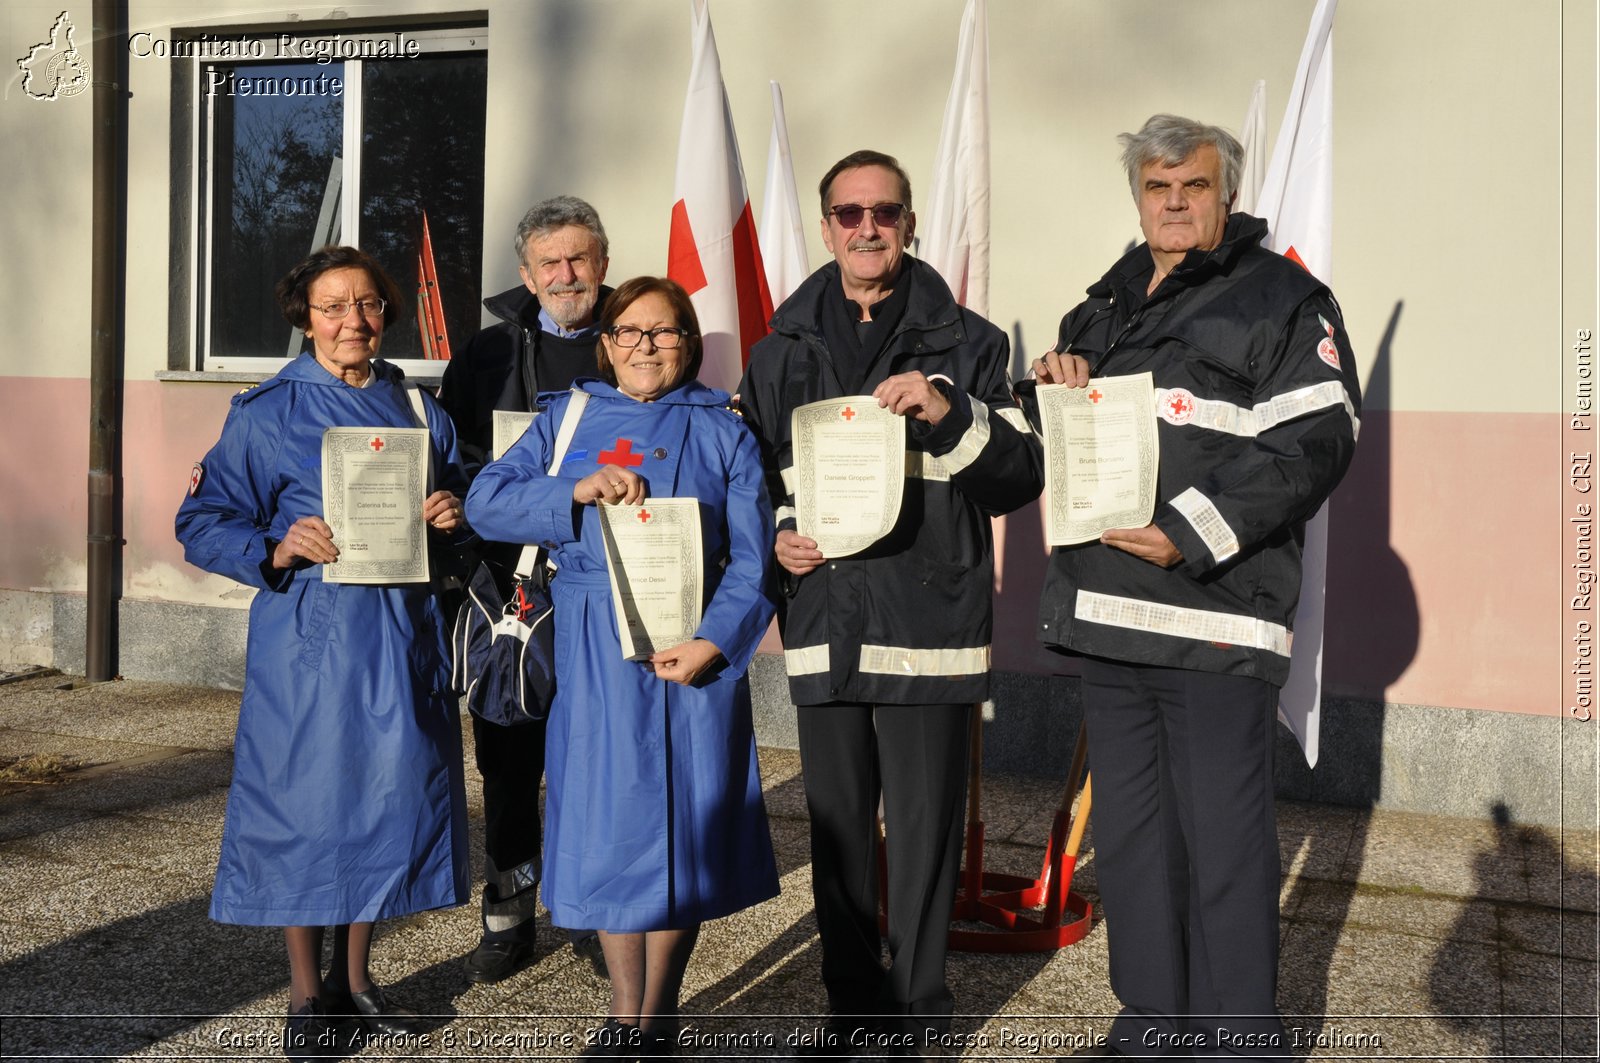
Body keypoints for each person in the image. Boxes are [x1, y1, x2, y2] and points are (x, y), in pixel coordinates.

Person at [1021, 114, 1362, 1060]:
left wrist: (1187, 533)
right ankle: (1153, 1016)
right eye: (1158, 189)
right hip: (1109, 613)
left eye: (1194, 187)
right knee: (1132, 840)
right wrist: (1051, 381)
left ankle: (1240, 1032)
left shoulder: (1285, 299)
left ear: (1227, 194)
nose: (1175, 204)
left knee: (1224, 840)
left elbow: (1318, 439)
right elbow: (1073, 433)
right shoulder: (1105, 300)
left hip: (1217, 616)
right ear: (1139, 198)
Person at [737, 150, 1042, 1053]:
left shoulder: (973, 344)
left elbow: (1018, 478)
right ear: (825, 225)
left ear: (908, 223)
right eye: (847, 213)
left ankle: (915, 1014)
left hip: (928, 624)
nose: (866, 227)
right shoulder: (778, 347)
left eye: (884, 211)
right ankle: (851, 1012)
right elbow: (749, 477)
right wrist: (775, 537)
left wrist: (951, 413)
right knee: (834, 831)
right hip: (825, 614)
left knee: (919, 833)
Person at [466, 276, 779, 1057]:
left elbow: (755, 558)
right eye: (630, 331)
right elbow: (485, 502)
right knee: (609, 829)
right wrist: (572, 487)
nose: (646, 345)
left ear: (689, 342)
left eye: (665, 332)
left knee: (683, 834)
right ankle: (621, 1008)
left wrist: (716, 640)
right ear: (605, 343)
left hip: (693, 657)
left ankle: (659, 1011)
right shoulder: (566, 419)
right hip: (595, 651)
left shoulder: (725, 431)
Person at [176, 246, 471, 1056]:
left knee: (386, 801)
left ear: (388, 314)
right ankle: (308, 994)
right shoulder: (266, 411)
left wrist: (451, 515)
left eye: (368, 304)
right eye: (333, 306)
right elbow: (201, 522)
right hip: (310, 643)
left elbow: (456, 519)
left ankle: (357, 976)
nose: (353, 321)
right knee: (304, 809)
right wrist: (276, 543)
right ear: (304, 317)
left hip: (402, 637)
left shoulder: (419, 410)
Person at [437, 195, 611, 983]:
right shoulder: (484, 355)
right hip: (506, 586)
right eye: (551, 262)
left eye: (579, 258)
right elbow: (455, 458)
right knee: (506, 758)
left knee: (597, 753)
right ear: (526, 274)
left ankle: (594, 904)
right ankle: (508, 913)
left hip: (605, 584)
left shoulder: (633, 340)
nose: (566, 274)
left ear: (602, 263)